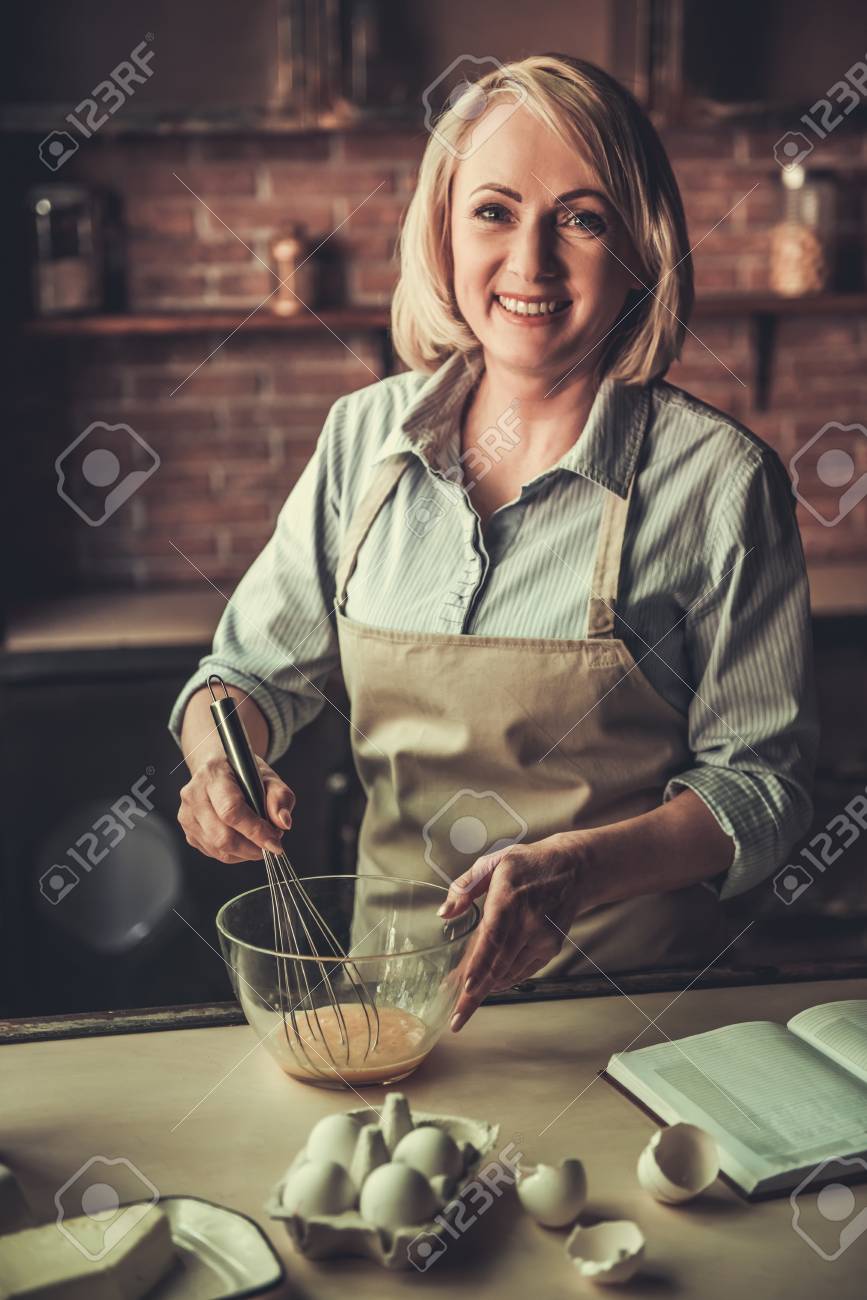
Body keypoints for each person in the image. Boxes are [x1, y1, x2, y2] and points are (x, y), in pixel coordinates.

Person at [170, 54, 819, 1033]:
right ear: (440, 231)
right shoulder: (363, 442)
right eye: (494, 211)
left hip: (635, 1018)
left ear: (642, 249)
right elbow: (246, 676)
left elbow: (764, 788)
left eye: (582, 218)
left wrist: (584, 868)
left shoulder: (724, 483)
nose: (531, 262)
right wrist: (219, 761)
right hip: (390, 1010)